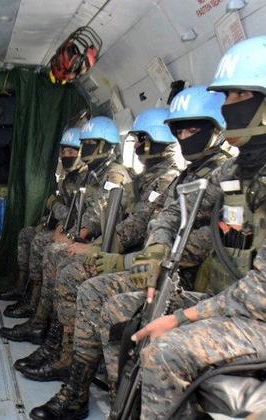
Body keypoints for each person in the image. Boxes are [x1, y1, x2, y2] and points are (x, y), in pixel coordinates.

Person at [28, 85, 231, 419]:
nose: (184, 137)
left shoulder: (197, 175)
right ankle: (76, 373)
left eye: (193, 130)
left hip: (185, 277)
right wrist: (105, 248)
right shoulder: (189, 175)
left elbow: (199, 242)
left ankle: (88, 386)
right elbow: (153, 220)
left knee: (87, 284)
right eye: (180, 130)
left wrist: (119, 258)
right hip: (153, 264)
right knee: (73, 268)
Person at [99, 36, 266, 420]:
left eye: (240, 95)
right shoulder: (237, 169)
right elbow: (174, 211)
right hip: (228, 305)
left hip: (256, 316)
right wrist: (157, 252)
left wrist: (181, 318)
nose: (228, 106)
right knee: (119, 312)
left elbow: (260, 296)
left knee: (164, 349)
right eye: (227, 96)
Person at [0, 116, 133, 352]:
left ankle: (50, 332)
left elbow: (97, 214)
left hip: (106, 243)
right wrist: (63, 229)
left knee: (54, 252)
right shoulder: (91, 174)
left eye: (87, 145)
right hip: (88, 237)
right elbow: (76, 211)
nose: (80, 151)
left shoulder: (114, 175)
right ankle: (37, 312)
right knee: (41, 241)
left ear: (105, 145)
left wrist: (72, 237)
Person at [0, 128, 85, 314]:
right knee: (27, 233)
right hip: (64, 228)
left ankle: (36, 304)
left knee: (40, 242)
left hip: (79, 234)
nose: (66, 156)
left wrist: (54, 205)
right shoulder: (68, 178)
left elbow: (74, 216)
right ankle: (23, 288)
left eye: (71, 152)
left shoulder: (85, 180)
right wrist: (46, 222)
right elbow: (64, 212)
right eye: (63, 152)